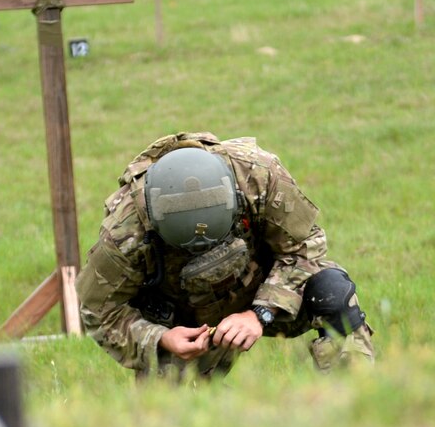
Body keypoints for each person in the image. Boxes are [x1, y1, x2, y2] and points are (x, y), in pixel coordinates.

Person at [75, 132, 374, 379]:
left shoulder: (258, 176)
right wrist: (160, 339)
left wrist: (261, 313)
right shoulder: (126, 230)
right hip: (184, 324)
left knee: (331, 293)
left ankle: (354, 401)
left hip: (260, 289)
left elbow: (305, 245)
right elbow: (98, 310)